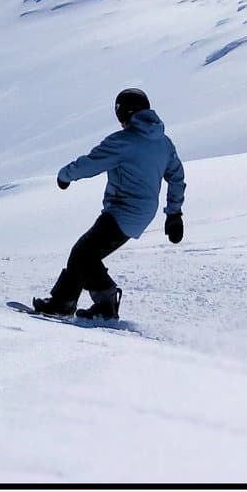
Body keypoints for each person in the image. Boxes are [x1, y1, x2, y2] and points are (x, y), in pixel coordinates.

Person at [32, 88, 185, 320]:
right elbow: (176, 175)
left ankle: (99, 304)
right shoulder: (163, 142)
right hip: (142, 212)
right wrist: (174, 213)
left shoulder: (123, 141)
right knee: (86, 254)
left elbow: (92, 163)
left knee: (83, 254)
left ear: (125, 112)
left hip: (124, 210)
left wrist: (65, 175)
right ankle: (66, 301)